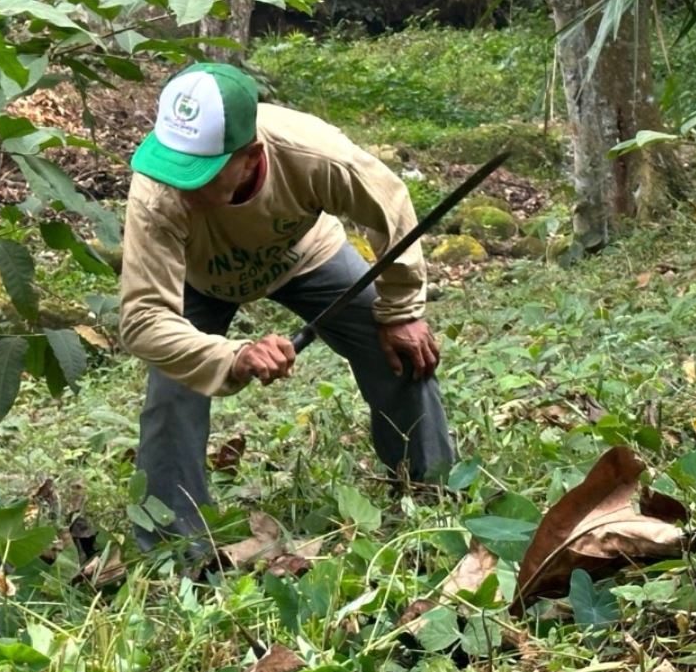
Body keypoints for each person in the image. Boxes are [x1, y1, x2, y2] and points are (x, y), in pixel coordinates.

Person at [119, 61, 454, 549]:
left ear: (251, 156)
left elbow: (390, 206)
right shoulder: (157, 191)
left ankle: (432, 493)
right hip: (199, 278)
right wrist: (230, 355)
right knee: (173, 393)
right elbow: (144, 318)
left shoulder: (312, 152)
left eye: (201, 174)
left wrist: (402, 309)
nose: (182, 187)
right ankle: (174, 549)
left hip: (305, 254)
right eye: (177, 169)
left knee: (400, 351)